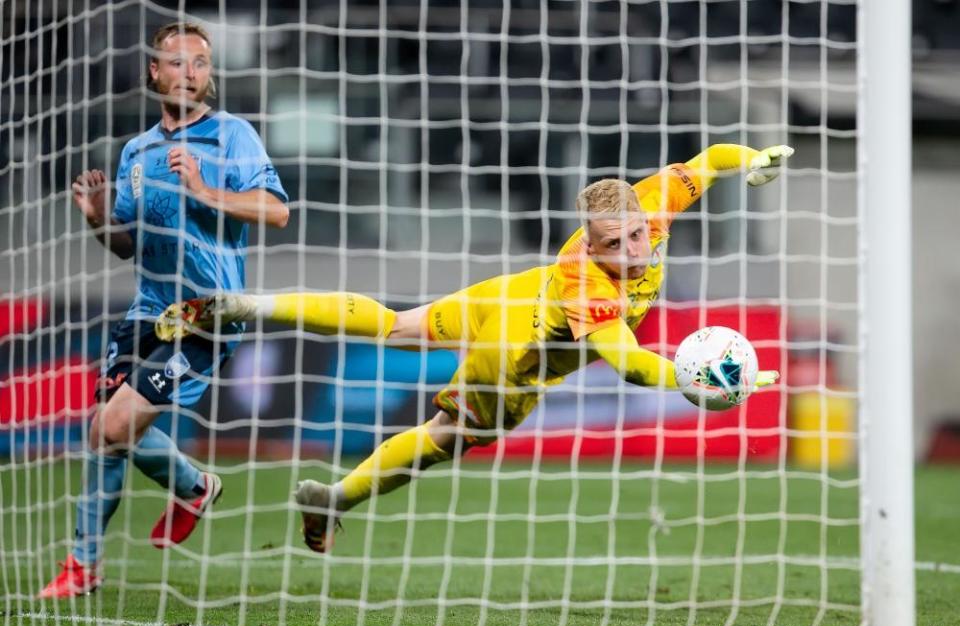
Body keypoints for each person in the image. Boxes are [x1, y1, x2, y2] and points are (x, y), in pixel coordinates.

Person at [155, 143, 790, 554]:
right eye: (611, 245)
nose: (629, 252)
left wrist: (752, 158)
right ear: (590, 245)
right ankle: (338, 497)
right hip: (518, 353)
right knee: (446, 436)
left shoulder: (652, 205)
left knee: (397, 326)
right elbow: (624, 361)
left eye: (632, 238)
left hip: (507, 295)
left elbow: (708, 160)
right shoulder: (588, 281)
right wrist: (689, 374)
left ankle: (251, 306)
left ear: (642, 218)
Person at [39, 22, 289, 598]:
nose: (190, 73)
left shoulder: (233, 136)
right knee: (104, 432)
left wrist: (204, 190)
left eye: (200, 63)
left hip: (209, 315)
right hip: (148, 310)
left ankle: (187, 492)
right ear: (155, 71)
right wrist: (101, 220)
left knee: (117, 425)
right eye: (177, 63)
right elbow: (129, 243)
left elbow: (277, 211)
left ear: (209, 74)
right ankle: (91, 561)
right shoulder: (137, 151)